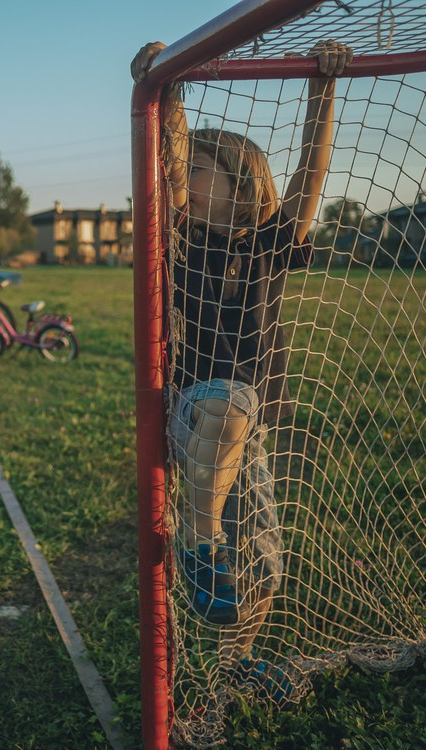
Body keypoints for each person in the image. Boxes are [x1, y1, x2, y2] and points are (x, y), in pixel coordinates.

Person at [131, 39, 352, 705]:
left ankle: (238, 656)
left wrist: (324, 89)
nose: (185, 176)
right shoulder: (179, 236)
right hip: (193, 407)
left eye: (202, 167)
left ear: (244, 182)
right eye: (185, 165)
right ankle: (196, 540)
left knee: (262, 567)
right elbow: (163, 162)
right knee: (228, 401)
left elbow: (312, 175)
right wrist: (162, 91)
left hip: (244, 433)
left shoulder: (271, 243)